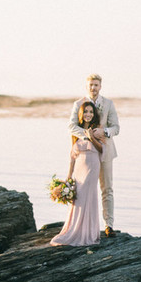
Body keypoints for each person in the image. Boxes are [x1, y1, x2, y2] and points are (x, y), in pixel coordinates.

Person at [69, 74, 119, 237]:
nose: (93, 88)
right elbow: (71, 126)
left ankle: (108, 225)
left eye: (96, 85)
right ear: (86, 86)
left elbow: (116, 128)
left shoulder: (109, 104)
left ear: (100, 86)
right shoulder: (78, 104)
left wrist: (103, 131)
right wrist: (88, 135)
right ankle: (83, 225)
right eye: (91, 85)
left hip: (105, 152)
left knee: (107, 188)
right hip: (86, 154)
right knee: (83, 189)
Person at [50, 101, 104, 247]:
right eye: (86, 111)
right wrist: (69, 175)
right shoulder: (76, 131)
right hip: (79, 168)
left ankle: (88, 233)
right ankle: (74, 229)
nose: (88, 114)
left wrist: (91, 137)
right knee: (78, 198)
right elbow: (72, 156)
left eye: (91, 112)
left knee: (88, 196)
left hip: (92, 166)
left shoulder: (97, 130)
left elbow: (101, 149)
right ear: (81, 114)